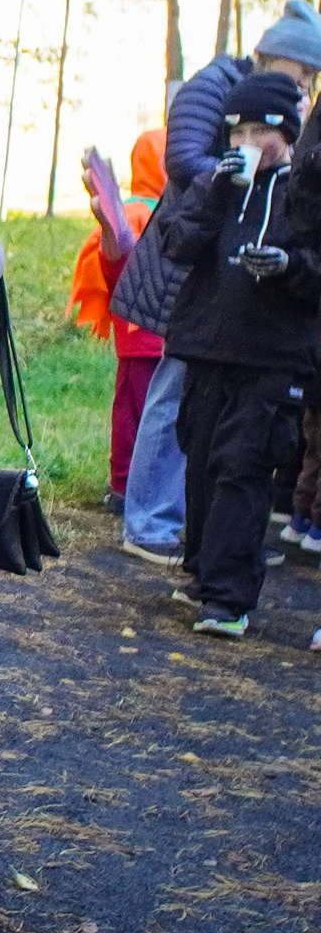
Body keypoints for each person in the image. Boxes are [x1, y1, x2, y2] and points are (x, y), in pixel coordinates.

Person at [119, 1, 321, 564]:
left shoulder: (272, 104)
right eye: (300, 76)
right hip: (187, 257)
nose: (303, 89)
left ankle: (213, 536)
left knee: (209, 409)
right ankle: (149, 520)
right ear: (275, 58)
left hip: (230, 264)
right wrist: (234, 177)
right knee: (175, 389)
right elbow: (182, 159)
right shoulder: (216, 87)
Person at [155, 70, 321, 637]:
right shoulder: (216, 186)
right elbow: (174, 243)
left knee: (242, 467)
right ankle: (203, 576)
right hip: (206, 347)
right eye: (237, 132)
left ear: (288, 135)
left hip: (274, 358)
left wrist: (287, 266)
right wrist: (217, 193)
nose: (246, 143)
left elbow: (315, 273)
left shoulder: (306, 191)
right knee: (201, 462)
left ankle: (229, 600)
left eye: (260, 131)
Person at [71, 130, 166, 507]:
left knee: (129, 411)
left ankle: (123, 482)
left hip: (133, 332)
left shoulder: (134, 209)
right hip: (155, 333)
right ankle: (131, 485)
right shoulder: (154, 212)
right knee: (148, 414)